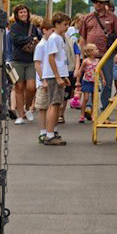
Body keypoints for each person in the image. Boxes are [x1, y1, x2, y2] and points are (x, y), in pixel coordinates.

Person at [79, 0, 117, 112]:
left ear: (105, 4)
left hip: (107, 54)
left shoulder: (112, 18)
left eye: (100, 2)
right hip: (91, 55)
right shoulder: (87, 17)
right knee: (88, 80)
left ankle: (104, 107)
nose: (97, 4)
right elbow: (82, 37)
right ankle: (88, 106)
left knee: (107, 81)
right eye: (95, 2)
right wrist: (81, 53)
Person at [40, 13, 71, 146]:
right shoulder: (54, 38)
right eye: (65, 24)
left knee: (56, 104)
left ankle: (52, 131)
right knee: (54, 103)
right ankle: (50, 134)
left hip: (57, 74)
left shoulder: (59, 38)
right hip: (53, 75)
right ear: (57, 24)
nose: (67, 27)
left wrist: (64, 76)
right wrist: (58, 77)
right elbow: (51, 58)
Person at [7, 4, 41, 125]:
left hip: (31, 60)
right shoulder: (14, 27)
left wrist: (33, 38)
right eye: (20, 12)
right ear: (17, 14)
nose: (23, 14)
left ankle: (28, 107)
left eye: (24, 12)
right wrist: (29, 39)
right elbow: (15, 40)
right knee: (19, 88)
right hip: (18, 60)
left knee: (31, 87)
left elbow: (40, 37)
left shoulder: (32, 26)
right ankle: (20, 115)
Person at [77, 43, 100, 123]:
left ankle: (93, 115)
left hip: (95, 81)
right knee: (86, 98)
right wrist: (78, 81)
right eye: (95, 49)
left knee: (94, 99)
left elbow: (100, 70)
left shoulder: (98, 61)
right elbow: (81, 71)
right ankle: (82, 115)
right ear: (90, 52)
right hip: (87, 81)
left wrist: (103, 79)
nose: (97, 51)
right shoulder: (86, 61)